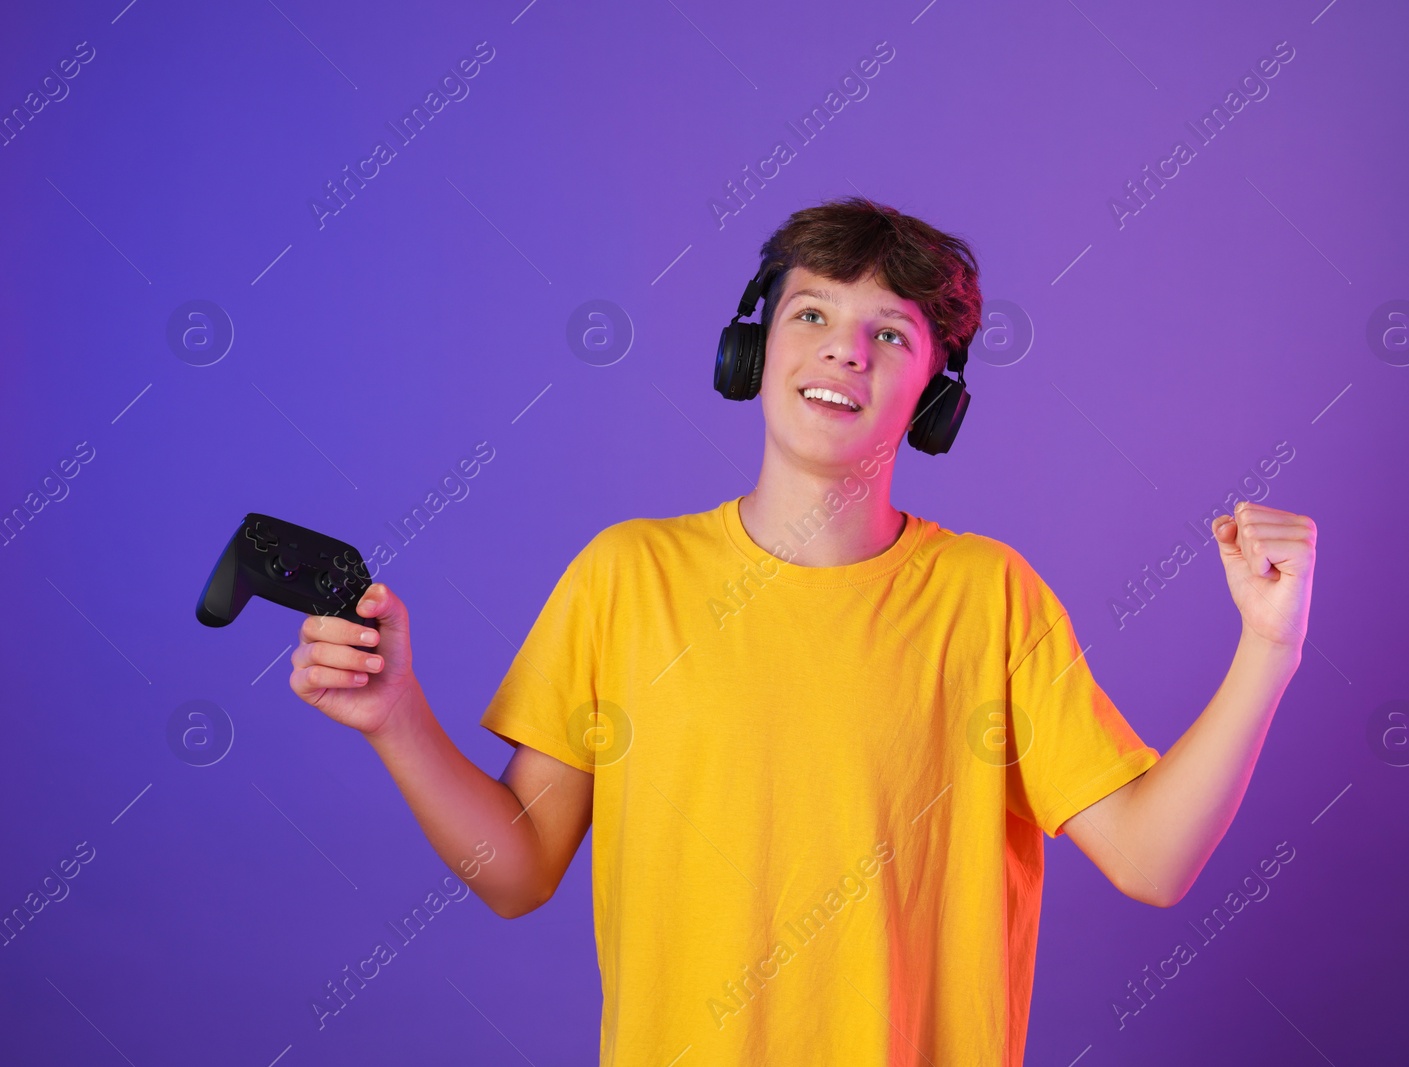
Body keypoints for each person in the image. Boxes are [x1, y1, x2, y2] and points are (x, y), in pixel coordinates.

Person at [289, 196, 1316, 1065]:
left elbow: (1152, 859)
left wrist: (1267, 649)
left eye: (890, 332)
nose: (843, 349)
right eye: (812, 312)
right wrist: (396, 718)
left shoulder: (988, 596)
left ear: (934, 393)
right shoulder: (626, 576)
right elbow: (516, 871)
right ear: (754, 347)